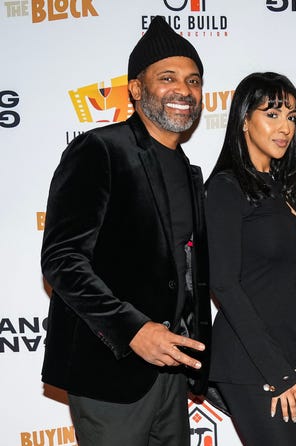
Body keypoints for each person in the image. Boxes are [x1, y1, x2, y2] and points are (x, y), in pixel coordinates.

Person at [40, 16, 211, 445]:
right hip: (108, 372)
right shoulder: (99, 150)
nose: (183, 91)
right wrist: (133, 329)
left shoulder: (190, 173)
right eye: (168, 78)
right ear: (136, 89)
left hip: (170, 375)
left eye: (193, 81)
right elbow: (62, 261)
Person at [204, 72, 296, 445]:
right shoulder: (225, 188)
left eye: (292, 116)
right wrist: (278, 371)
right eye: (272, 114)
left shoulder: (284, 189)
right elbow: (224, 284)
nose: (285, 126)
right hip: (257, 364)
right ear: (243, 120)